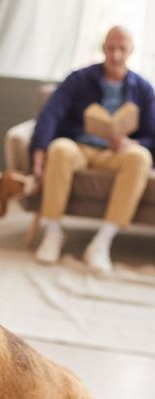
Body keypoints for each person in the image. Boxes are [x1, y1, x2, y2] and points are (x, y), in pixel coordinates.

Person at [30, 25, 155, 273]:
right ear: (103, 48)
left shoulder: (143, 88)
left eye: (122, 49)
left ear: (131, 51)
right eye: (111, 48)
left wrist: (133, 143)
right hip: (79, 146)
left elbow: (153, 135)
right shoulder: (78, 79)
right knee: (60, 149)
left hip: (117, 152)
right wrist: (38, 158)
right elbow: (50, 114)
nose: (116, 55)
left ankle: (102, 242)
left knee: (140, 158)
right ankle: (53, 232)